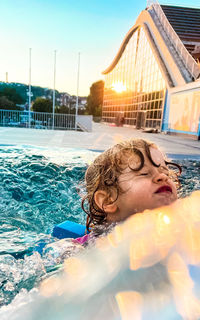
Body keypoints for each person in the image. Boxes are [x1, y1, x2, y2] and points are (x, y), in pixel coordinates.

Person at [79, 138, 181, 243]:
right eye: (144, 173)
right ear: (107, 201)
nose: (163, 177)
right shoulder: (91, 249)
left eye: (166, 173)